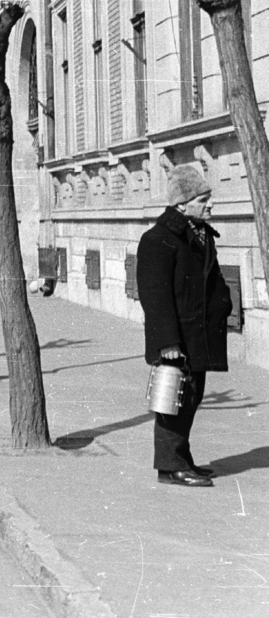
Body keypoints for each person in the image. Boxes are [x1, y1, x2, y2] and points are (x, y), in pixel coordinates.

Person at [136, 164, 232, 488]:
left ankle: (182, 458)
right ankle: (170, 465)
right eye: (203, 199)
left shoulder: (199, 234)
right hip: (176, 340)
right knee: (172, 399)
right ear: (181, 204)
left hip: (199, 334)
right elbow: (155, 297)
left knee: (191, 397)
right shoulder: (157, 240)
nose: (210, 204)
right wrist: (167, 343)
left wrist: (224, 304)